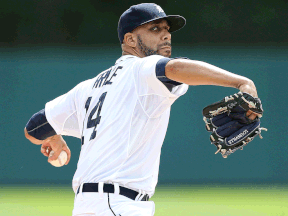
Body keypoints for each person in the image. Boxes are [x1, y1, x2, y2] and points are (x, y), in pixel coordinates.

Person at [24, 3, 260, 216]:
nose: (166, 34)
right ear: (130, 40)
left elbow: (34, 128)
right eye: (155, 29)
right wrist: (241, 82)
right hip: (118, 205)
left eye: (167, 29)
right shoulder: (141, 69)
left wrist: (54, 136)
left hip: (90, 205)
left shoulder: (86, 88)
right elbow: (175, 68)